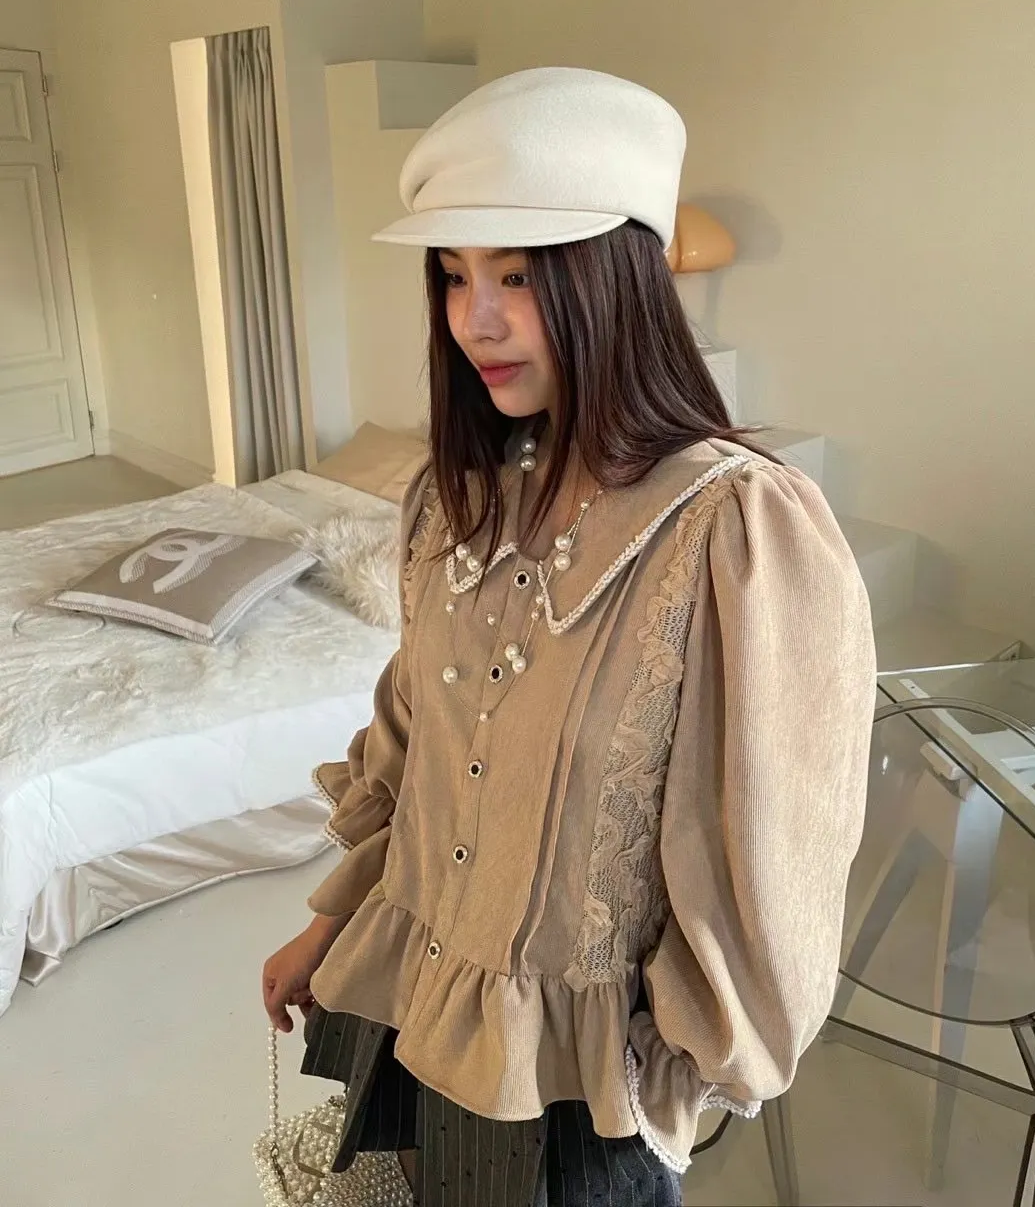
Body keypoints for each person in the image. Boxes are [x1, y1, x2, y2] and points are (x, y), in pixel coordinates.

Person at [262, 67, 877, 1207]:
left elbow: (772, 860)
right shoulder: (452, 501)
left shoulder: (734, 530)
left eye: (519, 275)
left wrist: (675, 1072)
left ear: (615, 282)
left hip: (581, 1098)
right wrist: (330, 923)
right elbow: (416, 759)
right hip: (407, 1012)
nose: (476, 319)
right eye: (454, 275)